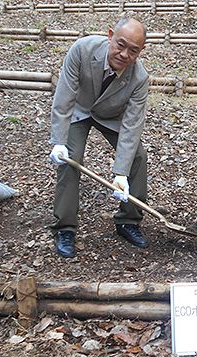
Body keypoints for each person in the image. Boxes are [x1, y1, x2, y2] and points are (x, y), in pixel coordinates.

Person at [48, 18, 149, 258]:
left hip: (111, 116)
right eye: (120, 45)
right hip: (79, 110)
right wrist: (59, 140)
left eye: (133, 50)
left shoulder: (139, 79)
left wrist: (121, 173)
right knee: (69, 159)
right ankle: (65, 227)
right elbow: (64, 99)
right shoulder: (82, 50)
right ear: (110, 36)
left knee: (138, 157)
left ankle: (128, 221)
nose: (124, 54)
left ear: (141, 51)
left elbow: (132, 126)